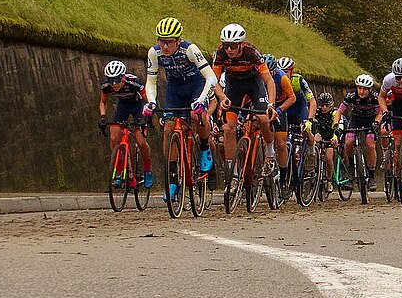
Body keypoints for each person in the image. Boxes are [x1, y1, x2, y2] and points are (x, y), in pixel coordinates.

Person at [145, 17, 218, 199]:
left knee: (195, 116)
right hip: (175, 88)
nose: (164, 47)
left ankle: (203, 148)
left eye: (169, 42)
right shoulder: (154, 53)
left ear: (178, 40)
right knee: (169, 128)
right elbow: (151, 81)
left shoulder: (190, 50)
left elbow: (211, 78)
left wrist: (201, 100)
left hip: (196, 84)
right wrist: (151, 101)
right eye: (161, 41)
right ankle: (172, 179)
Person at [211, 23, 278, 176]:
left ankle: (269, 152)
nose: (229, 50)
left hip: (253, 83)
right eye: (226, 45)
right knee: (228, 128)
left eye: (233, 46)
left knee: (264, 118)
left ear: (241, 44)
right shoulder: (220, 54)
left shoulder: (252, 53)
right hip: (233, 85)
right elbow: (213, 81)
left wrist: (271, 104)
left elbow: (269, 81)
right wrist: (222, 97)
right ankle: (232, 172)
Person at [99, 60, 154, 188]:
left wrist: (147, 117)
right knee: (114, 137)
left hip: (138, 106)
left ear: (123, 78)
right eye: (111, 80)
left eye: (117, 80)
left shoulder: (135, 83)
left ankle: (147, 170)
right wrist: (102, 116)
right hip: (122, 106)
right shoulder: (106, 86)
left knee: (141, 141)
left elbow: (149, 102)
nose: (114, 84)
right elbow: (103, 102)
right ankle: (120, 172)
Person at [335, 74, 382, 191]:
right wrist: (336, 124)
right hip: (355, 120)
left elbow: (379, 113)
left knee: (370, 144)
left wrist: (376, 123)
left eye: (365, 89)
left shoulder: (375, 98)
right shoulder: (351, 96)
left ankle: (371, 176)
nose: (361, 91)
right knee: (349, 142)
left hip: (370, 121)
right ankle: (350, 168)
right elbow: (339, 111)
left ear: (370, 89)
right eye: (360, 88)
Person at [263, 54, 297, 189]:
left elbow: (292, 98)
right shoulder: (258, 76)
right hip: (264, 105)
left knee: (281, 144)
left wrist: (281, 110)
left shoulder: (282, 78)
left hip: (280, 105)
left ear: (274, 70)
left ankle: (283, 178)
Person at [278, 57, 318, 163]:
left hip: (299, 109)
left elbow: (312, 102)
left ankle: (311, 154)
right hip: (285, 109)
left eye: (286, 72)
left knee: (306, 131)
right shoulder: (277, 79)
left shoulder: (298, 80)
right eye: (281, 71)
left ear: (292, 71)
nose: (283, 74)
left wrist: (310, 120)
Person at [314, 92, 339, 192]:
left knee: (329, 158)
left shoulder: (334, 113)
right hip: (321, 134)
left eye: (326, 105)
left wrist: (335, 137)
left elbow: (338, 126)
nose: (324, 107)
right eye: (322, 105)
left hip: (331, 135)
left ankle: (329, 180)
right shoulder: (317, 112)